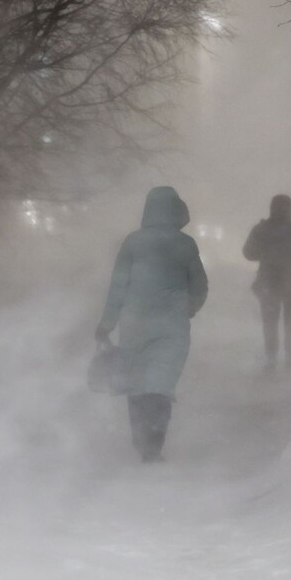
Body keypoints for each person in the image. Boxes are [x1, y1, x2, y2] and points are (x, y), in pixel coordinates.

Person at [96, 187, 209, 462]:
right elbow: (200, 286)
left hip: (135, 326)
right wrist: (188, 309)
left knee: (136, 385)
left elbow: (118, 287)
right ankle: (154, 446)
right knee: (160, 385)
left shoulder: (133, 243)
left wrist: (106, 324)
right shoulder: (186, 244)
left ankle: (140, 442)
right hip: (172, 328)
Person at [242, 194, 291, 373]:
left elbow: (248, 253)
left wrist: (266, 253)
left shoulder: (261, 230)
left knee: (270, 320)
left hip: (268, 280)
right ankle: (290, 357)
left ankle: (271, 358)